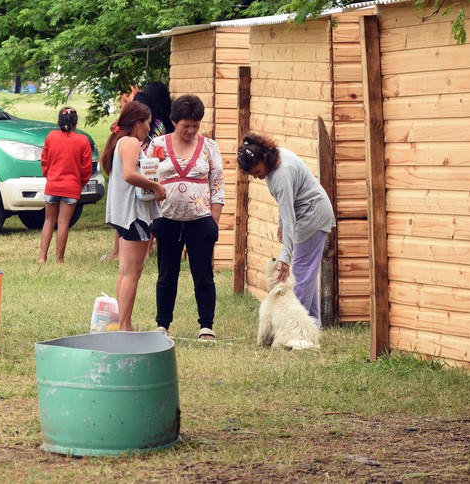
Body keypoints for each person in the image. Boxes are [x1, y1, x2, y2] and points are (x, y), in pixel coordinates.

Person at [236, 131, 335, 324]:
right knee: (305, 273)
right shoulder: (273, 159)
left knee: (300, 273)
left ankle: (296, 326)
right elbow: (286, 205)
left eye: (256, 172)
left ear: (264, 157)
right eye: (251, 174)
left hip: (312, 214)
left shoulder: (281, 174)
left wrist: (285, 257)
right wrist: (281, 225)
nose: (256, 177)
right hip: (305, 214)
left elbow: (289, 215)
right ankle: (312, 322)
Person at [150, 94, 225, 339]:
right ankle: (163, 324)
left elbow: (218, 186)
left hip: (200, 219)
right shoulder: (157, 144)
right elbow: (147, 178)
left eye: (195, 125)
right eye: (186, 126)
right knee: (166, 273)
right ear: (174, 122)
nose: (191, 131)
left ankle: (206, 325)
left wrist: (213, 222)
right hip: (166, 218)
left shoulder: (210, 147)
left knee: (203, 273)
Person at [101, 101, 166, 331]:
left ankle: (124, 322)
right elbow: (129, 174)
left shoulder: (121, 141)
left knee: (125, 272)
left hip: (124, 213)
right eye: (148, 122)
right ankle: (125, 326)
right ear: (138, 122)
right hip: (134, 214)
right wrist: (155, 187)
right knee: (132, 273)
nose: (150, 127)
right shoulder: (129, 142)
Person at [38, 106, 93, 263]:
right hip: (71, 187)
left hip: (52, 185)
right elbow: (87, 168)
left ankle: (42, 257)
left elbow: (44, 160)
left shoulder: (51, 137)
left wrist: (49, 176)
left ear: (59, 122)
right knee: (63, 222)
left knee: (49, 220)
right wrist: (80, 183)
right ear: (75, 123)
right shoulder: (82, 140)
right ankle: (59, 258)